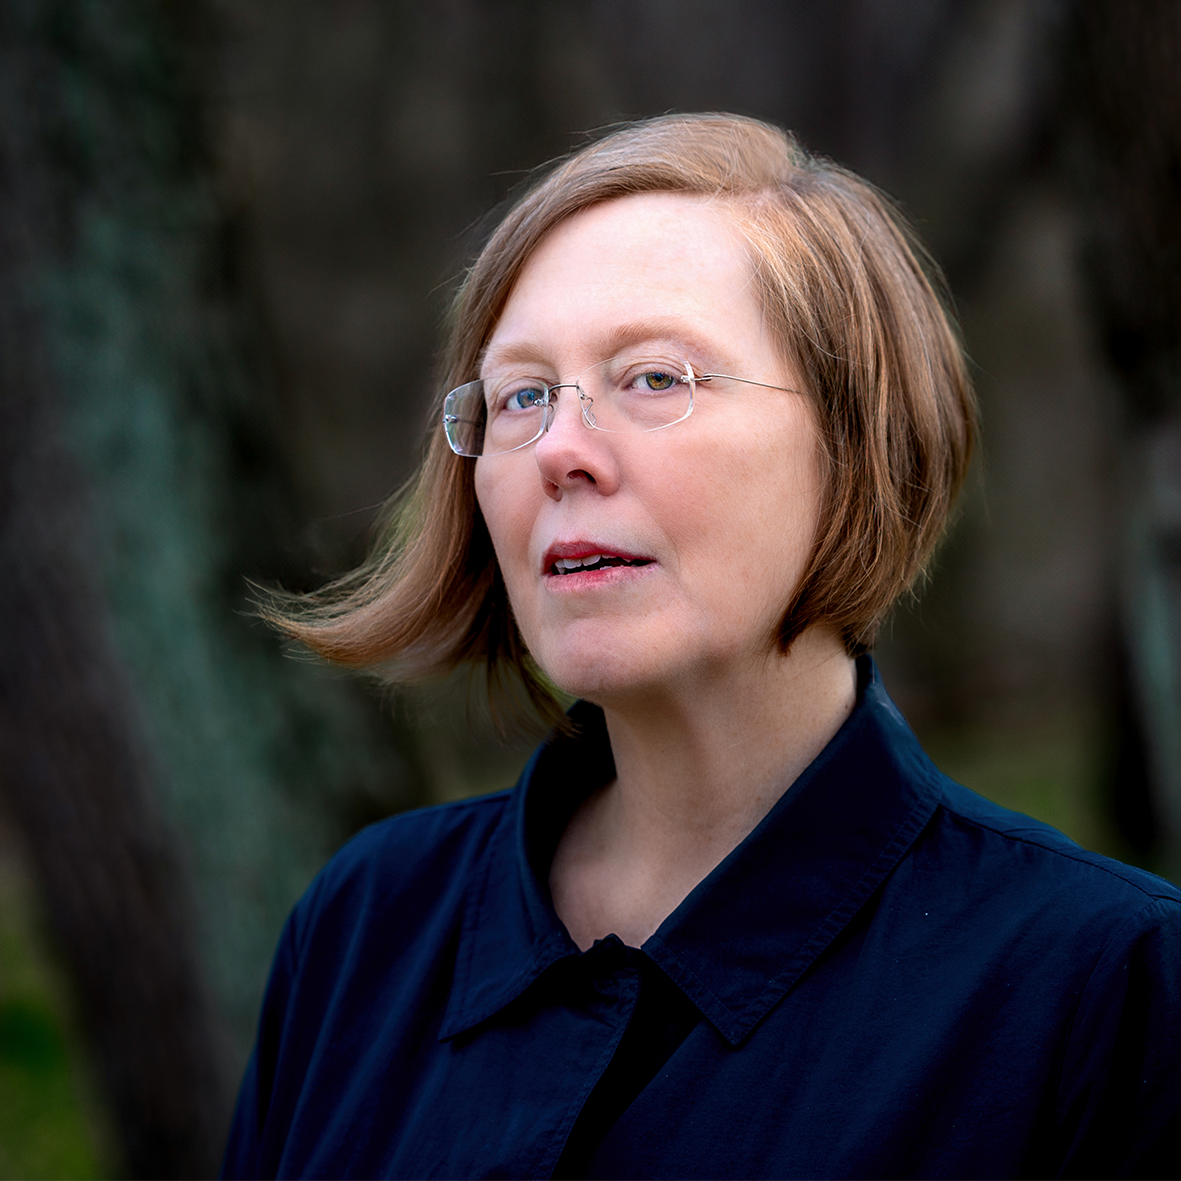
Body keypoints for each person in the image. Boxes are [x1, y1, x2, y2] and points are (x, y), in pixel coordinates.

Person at [220, 114, 1181, 1180]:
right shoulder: (366, 927)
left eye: (653, 378)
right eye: (521, 395)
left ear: (857, 441)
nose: (559, 452)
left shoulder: (1102, 986)